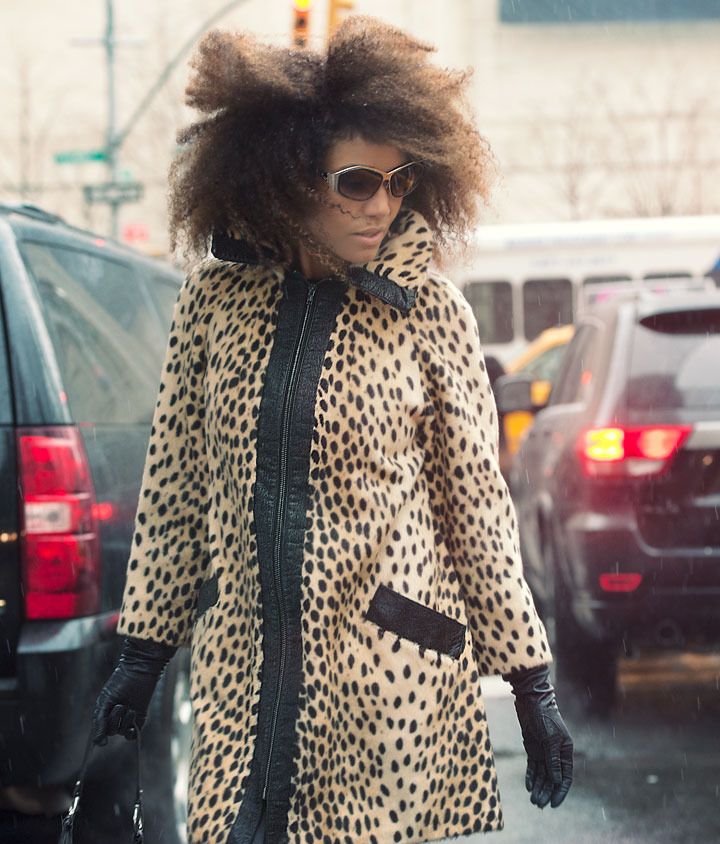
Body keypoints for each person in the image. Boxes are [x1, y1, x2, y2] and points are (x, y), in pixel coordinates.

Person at [91, 16, 573, 844]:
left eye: (399, 180)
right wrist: (140, 659)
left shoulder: (431, 313)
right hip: (243, 682)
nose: (382, 203)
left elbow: (478, 510)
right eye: (357, 180)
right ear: (287, 177)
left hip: (388, 691)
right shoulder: (213, 303)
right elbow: (175, 491)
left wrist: (532, 685)